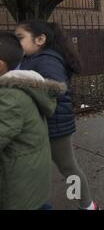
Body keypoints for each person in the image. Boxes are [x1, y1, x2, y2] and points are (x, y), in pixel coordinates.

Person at [15, 20, 99, 210]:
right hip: (43, 124)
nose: (16, 42)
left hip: (55, 126)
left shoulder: (47, 59)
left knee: (68, 168)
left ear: (40, 39)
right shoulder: (32, 57)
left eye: (20, 37)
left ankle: (87, 206)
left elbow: (54, 90)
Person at [0, 32, 64, 210]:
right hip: (29, 178)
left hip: (17, 186)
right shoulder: (22, 88)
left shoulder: (9, 99)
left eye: (22, 35)